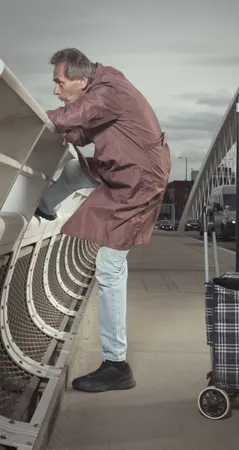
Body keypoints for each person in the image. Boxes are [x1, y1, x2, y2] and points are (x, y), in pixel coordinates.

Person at [36, 48, 171, 392]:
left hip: (139, 181)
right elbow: (83, 128)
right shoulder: (104, 84)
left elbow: (74, 116)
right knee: (73, 170)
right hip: (118, 168)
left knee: (110, 267)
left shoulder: (109, 91)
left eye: (59, 82)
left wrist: (43, 118)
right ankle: (44, 207)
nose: (56, 89)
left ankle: (116, 365)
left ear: (81, 80)